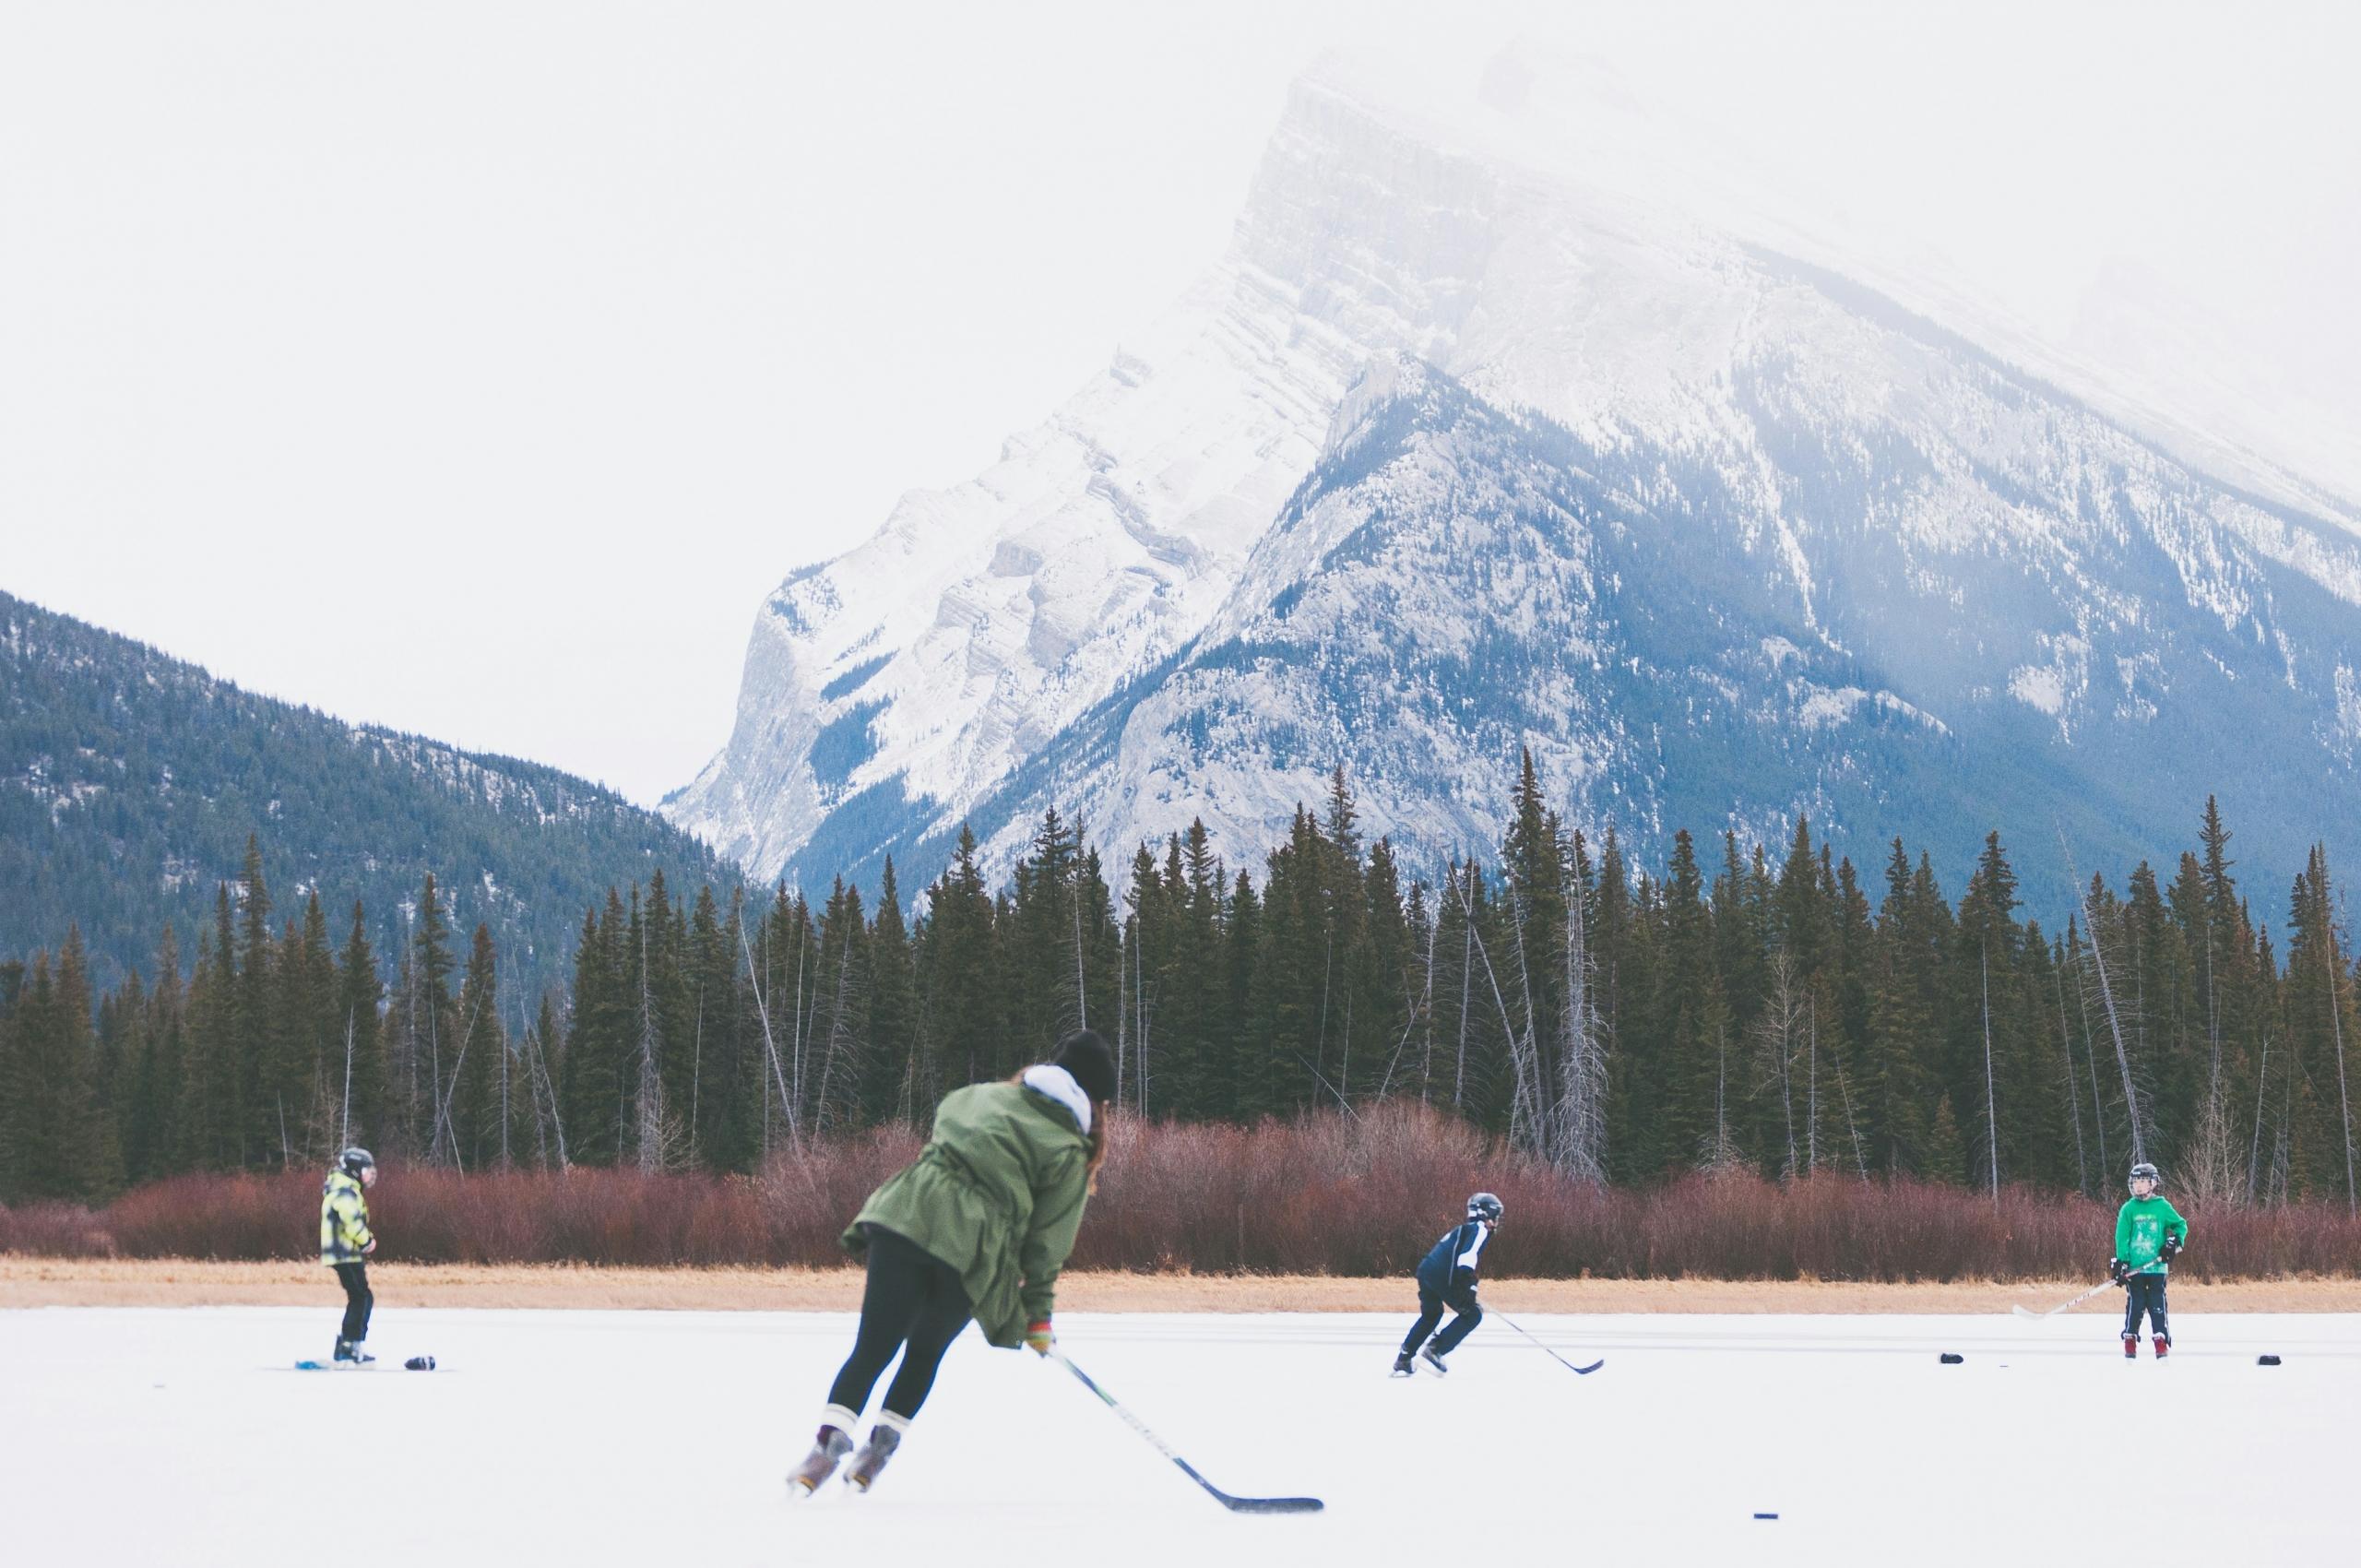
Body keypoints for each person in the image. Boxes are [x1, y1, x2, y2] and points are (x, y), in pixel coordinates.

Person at [789, 1029, 1118, 1496]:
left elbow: (945, 1124)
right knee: (924, 1352)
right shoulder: (1068, 1151)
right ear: (1095, 1103)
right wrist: (1037, 1316)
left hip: (906, 1216)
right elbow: (1047, 1245)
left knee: (872, 1348)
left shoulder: (978, 1096)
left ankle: (822, 1451)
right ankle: (876, 1455)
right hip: (973, 1250)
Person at [1394, 1192, 1503, 1376]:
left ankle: (1404, 1357)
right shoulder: (1479, 1230)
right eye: (1495, 1216)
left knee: (1432, 1315)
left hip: (1426, 1271)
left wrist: (1467, 1285)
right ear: (1485, 1214)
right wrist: (1469, 1285)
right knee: (1473, 1314)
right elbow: (1466, 1259)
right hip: (1442, 1276)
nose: (1496, 1222)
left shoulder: (1464, 1229)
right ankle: (1435, 1350)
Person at [2109, 1160, 2189, 1359]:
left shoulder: (2162, 1206)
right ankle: (2130, 1338)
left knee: (2157, 1303)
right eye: (2135, 1182)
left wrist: (2173, 1243)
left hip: (2157, 1268)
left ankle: (2161, 1340)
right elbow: (2122, 1237)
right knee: (2136, 1303)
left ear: (2153, 1183)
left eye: (2142, 1181)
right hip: (2135, 1268)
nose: (2138, 1185)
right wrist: (2121, 1262)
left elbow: (2181, 1226)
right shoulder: (2128, 1209)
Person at [321, 1146, 378, 1365]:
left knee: (362, 1296)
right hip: (344, 1254)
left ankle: (350, 1343)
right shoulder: (345, 1192)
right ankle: (349, 1346)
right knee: (361, 1297)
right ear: (355, 1171)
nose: (369, 1175)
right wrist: (366, 1241)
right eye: (366, 1170)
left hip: (345, 1254)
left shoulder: (344, 1188)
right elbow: (352, 1221)